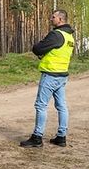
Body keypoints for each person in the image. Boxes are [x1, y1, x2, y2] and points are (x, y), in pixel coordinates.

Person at [20, 10, 74, 148]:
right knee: (62, 106)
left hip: (50, 75)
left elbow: (37, 48)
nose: (51, 19)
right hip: (62, 76)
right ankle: (61, 137)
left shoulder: (56, 35)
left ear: (61, 19)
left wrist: (40, 51)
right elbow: (57, 52)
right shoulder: (69, 37)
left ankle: (37, 137)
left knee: (41, 105)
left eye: (53, 17)